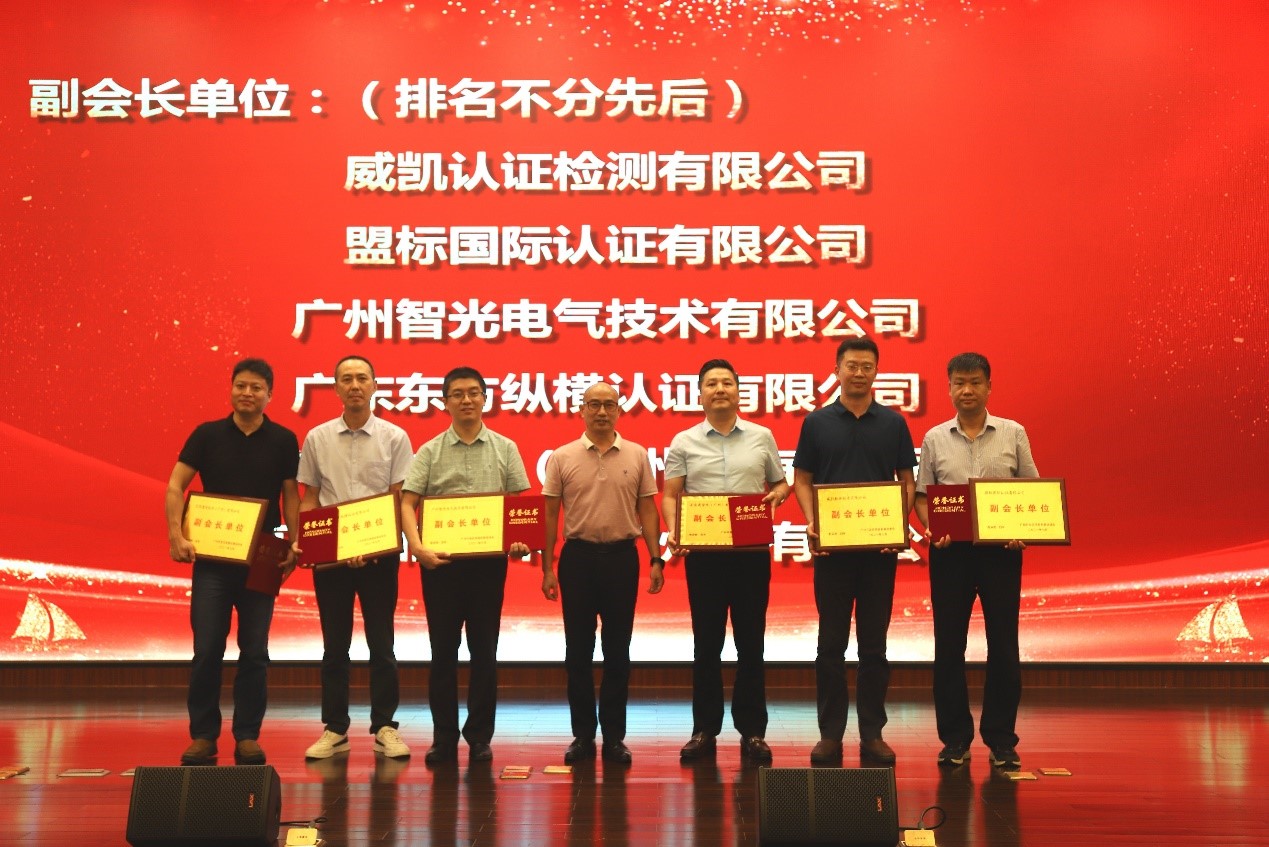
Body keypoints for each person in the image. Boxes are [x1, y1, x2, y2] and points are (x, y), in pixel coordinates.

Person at [164, 357, 300, 766]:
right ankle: (203, 735)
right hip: (213, 560)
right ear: (231, 389)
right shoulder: (207, 434)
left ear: (269, 395)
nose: (247, 393)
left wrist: (294, 542)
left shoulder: (283, 439)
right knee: (207, 649)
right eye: (241, 385)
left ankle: (247, 735)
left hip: (262, 558)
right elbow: (175, 485)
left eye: (256, 387)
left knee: (255, 651)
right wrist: (176, 535)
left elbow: (290, 496)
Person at [792, 337, 915, 766]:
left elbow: (906, 480)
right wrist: (813, 521)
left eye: (867, 366)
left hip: (879, 551)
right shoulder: (817, 422)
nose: (859, 373)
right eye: (851, 366)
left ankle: (872, 733)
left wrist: (898, 523)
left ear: (876, 372)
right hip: (833, 553)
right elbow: (802, 479)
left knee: (874, 647)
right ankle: (830, 734)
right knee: (830, 645)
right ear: (837, 370)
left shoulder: (894, 423)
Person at [398, 366, 531, 765]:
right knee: (442, 652)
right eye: (457, 394)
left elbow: (519, 505)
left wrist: (519, 539)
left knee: (484, 651)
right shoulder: (429, 451)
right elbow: (407, 502)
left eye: (474, 392)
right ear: (445, 402)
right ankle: (443, 738)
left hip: (488, 566)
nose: (467, 399)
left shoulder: (505, 447)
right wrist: (417, 547)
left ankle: (479, 737)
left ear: (485, 398)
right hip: (440, 565)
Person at [661, 359, 789, 765]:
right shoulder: (684, 441)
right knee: (706, 645)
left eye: (727, 383)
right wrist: (675, 530)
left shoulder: (761, 436)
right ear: (700, 394)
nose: (720, 389)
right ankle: (704, 729)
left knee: (751, 644)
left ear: (738, 391)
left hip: (750, 554)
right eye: (712, 384)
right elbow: (670, 494)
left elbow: (780, 482)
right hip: (704, 556)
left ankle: (753, 731)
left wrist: (778, 495)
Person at [914, 352, 1038, 770]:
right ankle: (955, 740)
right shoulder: (935, 438)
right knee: (949, 646)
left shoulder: (1013, 433)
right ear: (949, 388)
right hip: (951, 554)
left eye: (975, 382)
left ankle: (1002, 739)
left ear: (988, 387)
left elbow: (1031, 490)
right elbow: (922, 495)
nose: (967, 390)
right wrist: (932, 527)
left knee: (1004, 645)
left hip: (1001, 553)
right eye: (959, 383)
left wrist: (1022, 530)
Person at [295, 355, 414, 761]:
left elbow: (399, 497)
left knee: (382, 644)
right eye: (346, 379)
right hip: (331, 559)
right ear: (336, 388)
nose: (355, 385)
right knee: (334, 646)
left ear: (375, 385)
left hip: (378, 556)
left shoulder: (394, 437)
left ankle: (385, 727)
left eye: (362, 378)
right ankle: (335, 728)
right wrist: (307, 541)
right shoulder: (317, 437)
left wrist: (376, 543)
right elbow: (310, 497)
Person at [540, 382, 664, 765]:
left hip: (622, 559)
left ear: (619, 411)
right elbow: (550, 514)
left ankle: (614, 737)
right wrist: (547, 567)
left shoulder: (637, 455)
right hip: (577, 559)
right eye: (593, 404)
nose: (601, 412)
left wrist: (656, 558)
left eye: (609, 404)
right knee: (577, 652)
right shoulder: (562, 456)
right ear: (581, 410)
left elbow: (647, 509)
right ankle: (582, 736)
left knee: (618, 651)